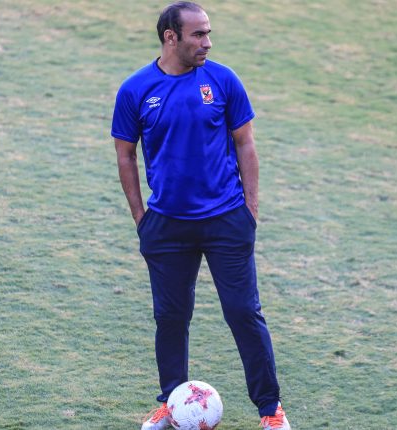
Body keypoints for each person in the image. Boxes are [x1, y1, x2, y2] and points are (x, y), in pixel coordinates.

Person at [111, 2, 291, 429]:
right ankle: (172, 405)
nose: (207, 42)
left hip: (227, 220)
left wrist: (250, 209)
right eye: (198, 34)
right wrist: (141, 218)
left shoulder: (223, 80)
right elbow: (125, 155)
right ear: (170, 37)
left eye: (208, 33)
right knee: (171, 318)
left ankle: (271, 411)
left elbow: (246, 143)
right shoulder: (135, 89)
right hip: (167, 226)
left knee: (243, 313)